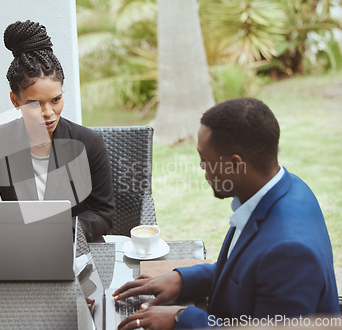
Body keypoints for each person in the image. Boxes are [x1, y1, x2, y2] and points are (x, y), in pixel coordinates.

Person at [114, 97, 340, 329]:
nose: (201, 169)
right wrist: (182, 279)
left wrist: (181, 317)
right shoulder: (284, 188)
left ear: (235, 165)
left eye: (205, 161)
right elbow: (245, 272)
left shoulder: (290, 252)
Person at [0, 20, 114, 242]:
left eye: (56, 100)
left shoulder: (89, 143)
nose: (48, 112)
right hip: (22, 248)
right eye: (34, 104)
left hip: (75, 248)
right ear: (15, 100)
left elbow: (103, 215)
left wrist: (55, 230)